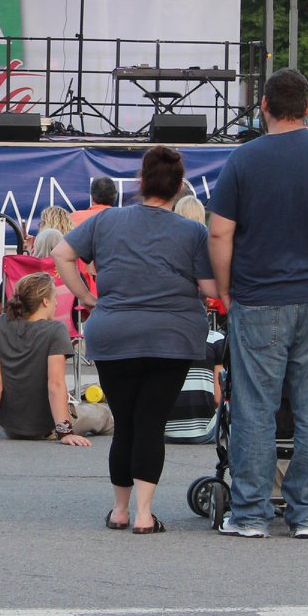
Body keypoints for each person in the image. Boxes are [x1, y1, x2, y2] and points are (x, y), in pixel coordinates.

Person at [208, 69, 308, 539]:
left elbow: (219, 231)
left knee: (255, 405)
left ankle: (251, 512)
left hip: (259, 297)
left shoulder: (244, 160)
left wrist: (226, 287)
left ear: (265, 107)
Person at [55, 145, 214, 535]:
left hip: (115, 334)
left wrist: (87, 296)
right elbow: (209, 287)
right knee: (150, 423)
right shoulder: (193, 231)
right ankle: (145, 514)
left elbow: (61, 253)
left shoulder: (107, 221)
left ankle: (119, 510)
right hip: (171, 338)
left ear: (141, 182)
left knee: (126, 422)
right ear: (179, 188)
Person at [0, 273, 105, 446]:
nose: (57, 302)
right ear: (45, 301)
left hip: (12, 427)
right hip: (48, 427)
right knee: (101, 414)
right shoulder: (55, 330)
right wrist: (65, 433)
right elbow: (56, 385)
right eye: (55, 298)